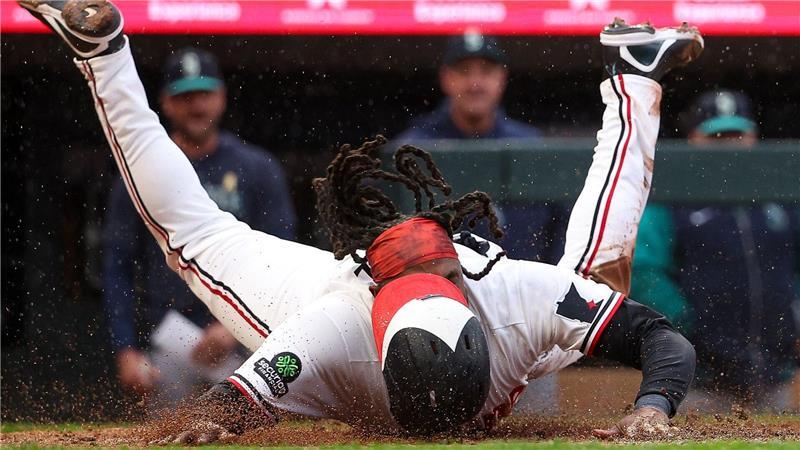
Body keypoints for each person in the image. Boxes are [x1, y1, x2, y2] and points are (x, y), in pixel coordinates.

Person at [22, 0, 703, 442]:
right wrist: (209, 422)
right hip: (316, 290)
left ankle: (634, 76)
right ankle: (105, 56)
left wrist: (653, 408)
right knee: (193, 232)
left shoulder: (519, 300)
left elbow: (661, 339)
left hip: (482, 316)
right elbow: (234, 399)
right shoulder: (329, 330)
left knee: (595, 282)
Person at [102, 46, 298, 407]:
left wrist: (234, 327)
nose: (197, 106)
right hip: (166, 339)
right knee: (168, 430)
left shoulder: (257, 168)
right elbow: (118, 266)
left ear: (222, 97)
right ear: (165, 103)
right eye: (185, 96)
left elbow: (282, 260)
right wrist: (125, 348)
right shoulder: (143, 174)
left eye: (205, 94)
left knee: (249, 428)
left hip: (244, 342)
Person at [394, 30, 561, 413]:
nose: (475, 82)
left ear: (502, 78)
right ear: (445, 78)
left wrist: (553, 303)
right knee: (436, 429)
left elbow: (560, 233)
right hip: (439, 323)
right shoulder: (412, 149)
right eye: (464, 71)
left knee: (535, 431)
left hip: (524, 322)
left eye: (486, 71)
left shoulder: (533, 147)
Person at [631, 90, 799, 412]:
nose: (729, 145)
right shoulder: (672, 196)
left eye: (737, 135)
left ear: (753, 138)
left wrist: (793, 315)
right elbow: (644, 271)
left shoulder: (778, 194)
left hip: (774, 373)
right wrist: (689, 328)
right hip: (700, 378)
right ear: (694, 139)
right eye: (717, 136)